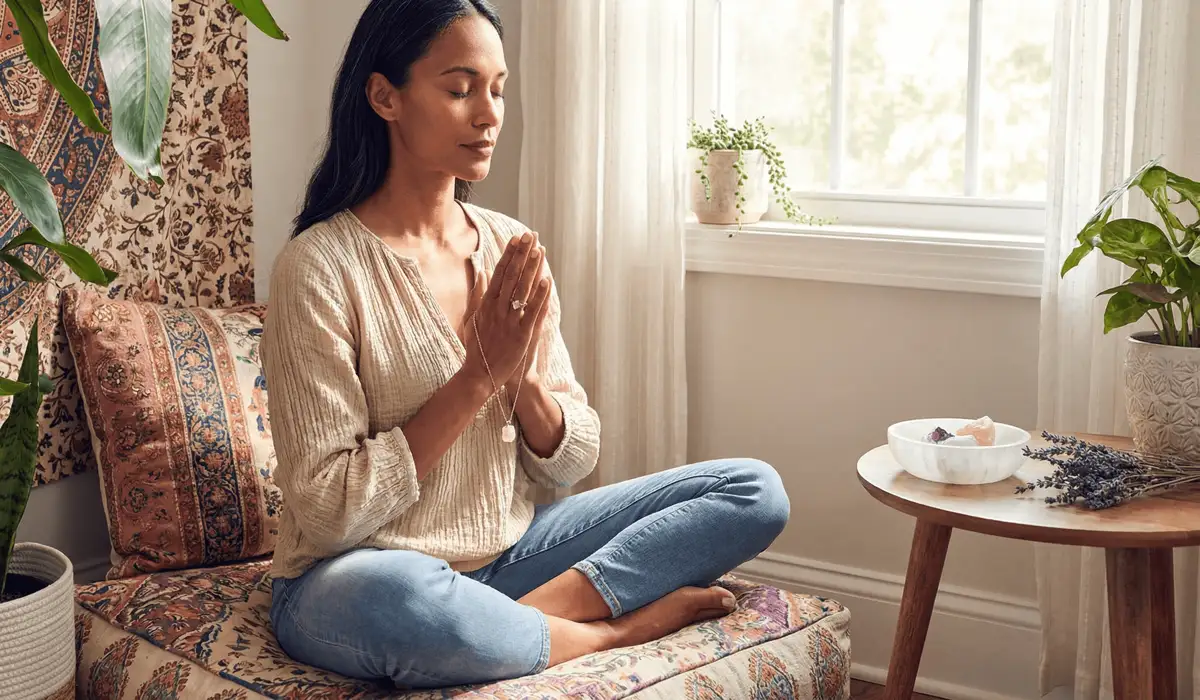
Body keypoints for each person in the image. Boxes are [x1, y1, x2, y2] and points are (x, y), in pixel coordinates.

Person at [261, 0, 790, 689]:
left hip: (510, 552)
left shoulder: (509, 245)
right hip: (357, 573)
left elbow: (567, 464)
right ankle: (610, 629)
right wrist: (474, 379)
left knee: (753, 491)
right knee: (408, 598)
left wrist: (519, 381)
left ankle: (513, 621)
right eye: (459, 89)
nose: (488, 115)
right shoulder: (319, 267)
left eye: (498, 89)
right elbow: (328, 514)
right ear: (385, 95)